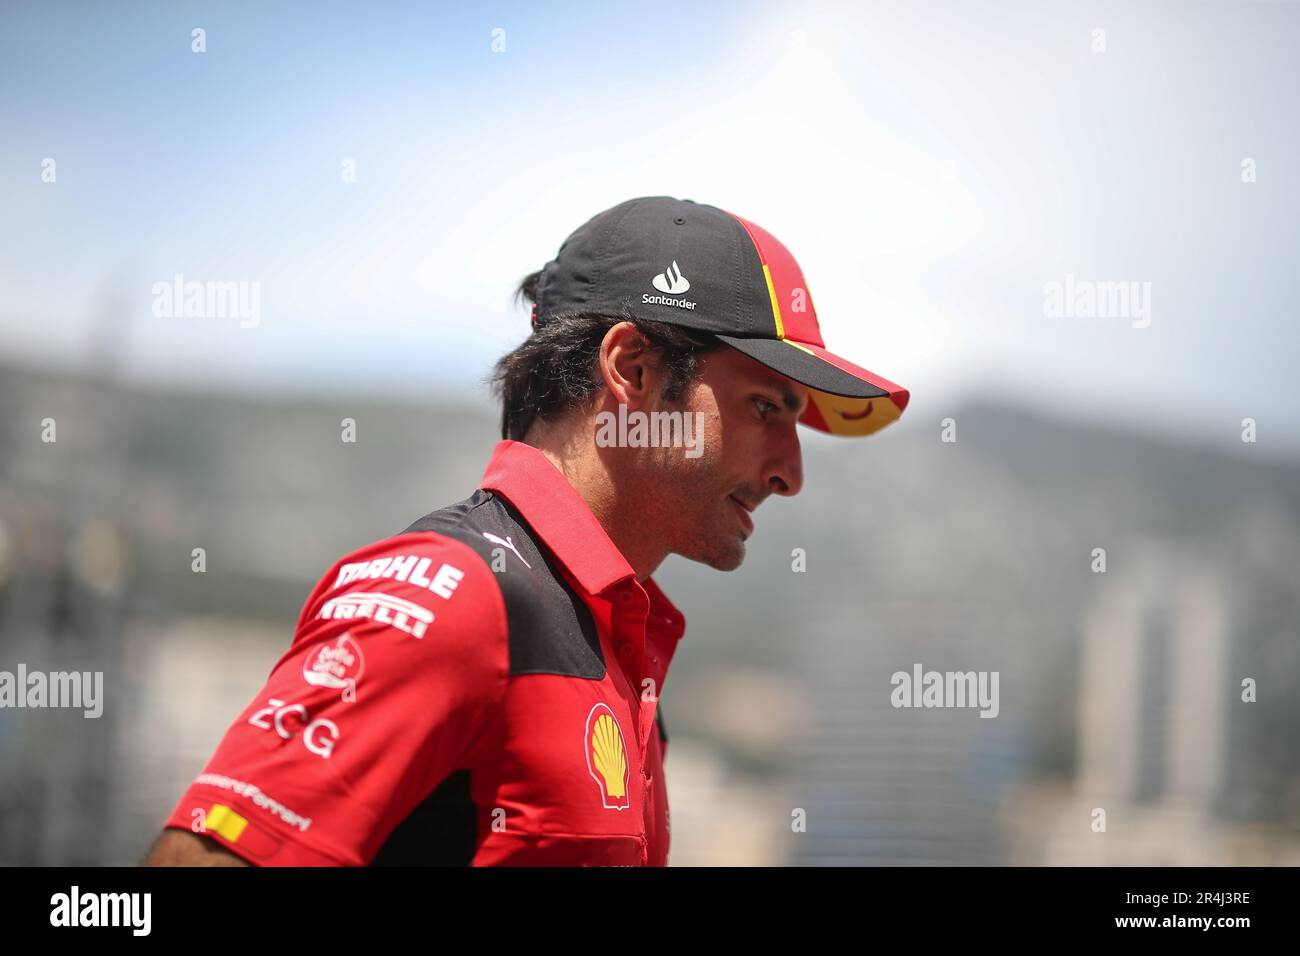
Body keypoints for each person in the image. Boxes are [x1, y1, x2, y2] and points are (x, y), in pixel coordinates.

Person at [142, 195, 908, 866]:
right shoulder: (456, 599)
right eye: (767, 408)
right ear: (634, 370)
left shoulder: (614, 639)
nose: (790, 473)